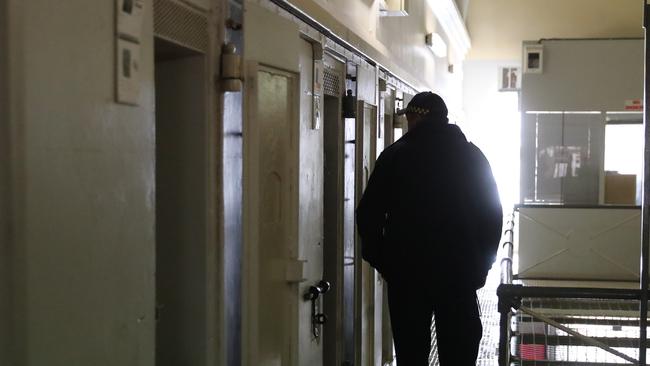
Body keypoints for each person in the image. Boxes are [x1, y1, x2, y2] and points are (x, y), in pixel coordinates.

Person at [356, 92, 503, 365]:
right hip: (458, 276)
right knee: (459, 353)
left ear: (416, 117)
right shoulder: (472, 157)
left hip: (408, 277)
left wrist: (386, 263)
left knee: (412, 354)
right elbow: (492, 215)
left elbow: (368, 215)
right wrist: (481, 266)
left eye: (409, 117)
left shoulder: (395, 156)